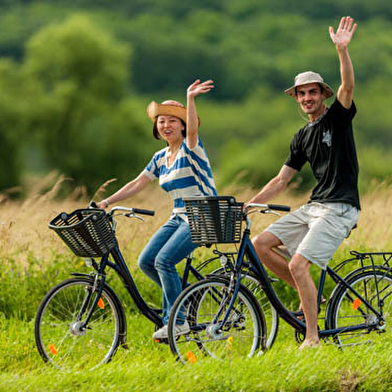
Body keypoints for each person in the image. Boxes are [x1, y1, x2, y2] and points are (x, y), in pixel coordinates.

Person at [247, 16, 360, 349]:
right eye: (302, 93)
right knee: (259, 245)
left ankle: (312, 338)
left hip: (340, 208)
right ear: (296, 98)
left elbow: (348, 87)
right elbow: (281, 179)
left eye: (313, 92)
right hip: (315, 207)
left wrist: (342, 51)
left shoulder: (337, 119)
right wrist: (250, 204)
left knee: (298, 264)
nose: (308, 97)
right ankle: (305, 290)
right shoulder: (301, 136)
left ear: (321, 95)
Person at [97, 79, 217, 339]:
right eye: (161, 121)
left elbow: (194, 129)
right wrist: (107, 202)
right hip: (179, 216)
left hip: (203, 214)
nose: (166, 125)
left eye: (173, 120)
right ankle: (183, 298)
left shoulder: (191, 148)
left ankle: (178, 321)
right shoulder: (160, 157)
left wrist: (191, 99)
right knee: (147, 262)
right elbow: (137, 183)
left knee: (164, 261)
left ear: (184, 125)